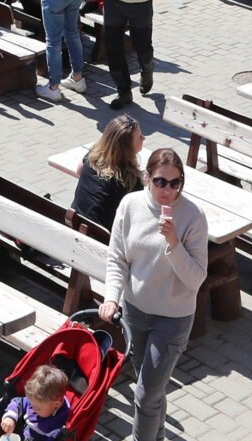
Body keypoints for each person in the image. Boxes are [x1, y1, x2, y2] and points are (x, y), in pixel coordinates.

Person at [98, 147, 208, 441]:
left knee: (146, 395)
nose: (168, 190)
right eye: (161, 181)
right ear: (147, 177)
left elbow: (196, 279)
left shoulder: (193, 217)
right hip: (135, 311)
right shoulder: (130, 205)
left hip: (173, 318)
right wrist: (111, 297)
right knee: (153, 392)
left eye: (175, 183)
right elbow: (117, 257)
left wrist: (173, 243)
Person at [71, 114, 143, 230]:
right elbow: (137, 214)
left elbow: (79, 170)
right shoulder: (130, 179)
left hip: (75, 225)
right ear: (127, 147)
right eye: (140, 137)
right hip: (101, 240)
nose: (144, 138)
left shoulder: (93, 157)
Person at [0, 364, 70, 440]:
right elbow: (18, 402)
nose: (32, 408)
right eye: (31, 404)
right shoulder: (38, 401)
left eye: (37, 408)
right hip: (21, 430)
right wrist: (10, 418)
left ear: (56, 404)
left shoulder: (56, 424)